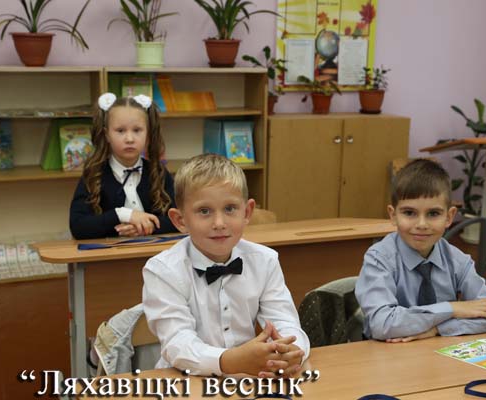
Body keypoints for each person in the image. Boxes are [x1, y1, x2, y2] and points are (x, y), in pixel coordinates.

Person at [142, 154, 309, 376]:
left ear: (247, 212)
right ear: (180, 220)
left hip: (251, 376)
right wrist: (230, 361)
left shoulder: (265, 261)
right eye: (204, 211)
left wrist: (290, 352)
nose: (219, 223)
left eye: (230, 209)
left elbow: (285, 322)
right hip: (185, 379)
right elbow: (178, 343)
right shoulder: (163, 271)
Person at [355, 159, 486, 342]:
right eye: (409, 213)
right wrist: (452, 309)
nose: (422, 224)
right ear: (393, 215)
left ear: (449, 217)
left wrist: (438, 329)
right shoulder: (379, 258)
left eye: (433, 214)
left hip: (438, 349)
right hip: (387, 352)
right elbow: (382, 324)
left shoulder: (457, 260)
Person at [70, 93, 177, 239]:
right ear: (107, 135)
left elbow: (180, 219)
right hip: (109, 252)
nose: (129, 139)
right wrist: (123, 214)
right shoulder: (94, 175)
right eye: (120, 131)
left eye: (137, 130)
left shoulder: (158, 172)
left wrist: (148, 227)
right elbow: (78, 227)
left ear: (148, 134)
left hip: (154, 251)